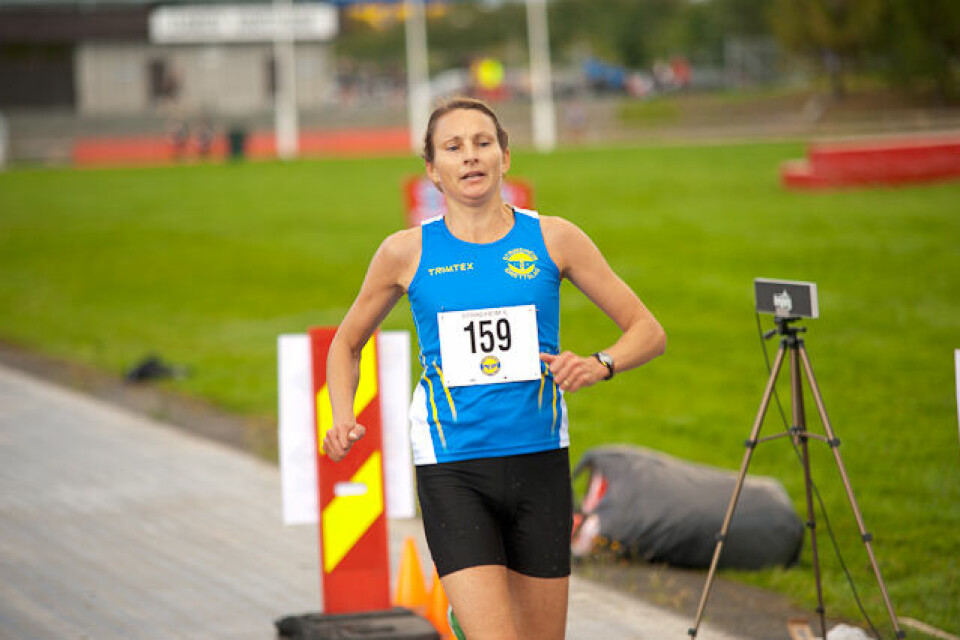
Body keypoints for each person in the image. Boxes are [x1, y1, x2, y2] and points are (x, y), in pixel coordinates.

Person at [323, 97, 666, 640]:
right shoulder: (405, 252)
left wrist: (600, 364)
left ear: (505, 155)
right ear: (432, 170)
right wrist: (342, 415)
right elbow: (346, 343)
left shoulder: (554, 238)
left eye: (483, 143)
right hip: (452, 467)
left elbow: (648, 330)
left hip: (540, 464)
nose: (471, 157)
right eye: (453, 148)